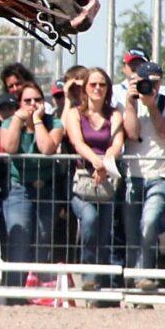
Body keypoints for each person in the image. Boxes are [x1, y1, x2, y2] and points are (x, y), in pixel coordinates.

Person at [121, 61, 165, 292]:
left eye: (155, 82)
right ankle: (133, 283)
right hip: (133, 176)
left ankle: (144, 275)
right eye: (147, 82)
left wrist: (153, 106)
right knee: (132, 231)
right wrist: (131, 104)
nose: (151, 87)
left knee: (149, 222)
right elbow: (132, 134)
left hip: (161, 175)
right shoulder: (129, 102)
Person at [0, 82, 64, 287]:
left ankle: (37, 292)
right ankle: (13, 291)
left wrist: (36, 122)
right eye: (27, 101)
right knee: (19, 240)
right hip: (19, 189)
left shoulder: (54, 123)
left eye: (37, 99)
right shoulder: (9, 122)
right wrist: (19, 120)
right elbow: (9, 146)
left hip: (46, 188)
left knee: (43, 241)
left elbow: (47, 148)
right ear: (19, 103)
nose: (33, 104)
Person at [65, 68, 124, 293]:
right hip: (83, 180)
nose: (98, 88)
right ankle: (88, 274)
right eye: (93, 84)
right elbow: (77, 142)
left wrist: (106, 162)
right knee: (89, 220)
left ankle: (102, 282)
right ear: (85, 88)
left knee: (105, 232)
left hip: (107, 181)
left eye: (102, 84)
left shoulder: (114, 114)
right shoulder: (74, 113)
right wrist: (96, 162)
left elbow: (117, 142)